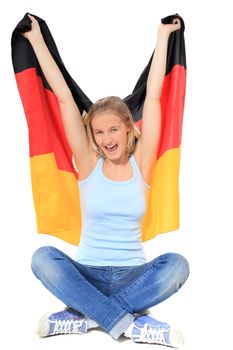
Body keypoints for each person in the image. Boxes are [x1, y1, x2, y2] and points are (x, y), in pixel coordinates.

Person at [23, 14, 189, 348]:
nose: (106, 138)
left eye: (113, 129)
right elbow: (64, 98)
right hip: (86, 273)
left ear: (128, 128)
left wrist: (163, 36)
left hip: (135, 276)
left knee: (177, 265)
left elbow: (154, 97)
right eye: (99, 132)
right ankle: (131, 324)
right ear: (92, 136)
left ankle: (84, 316)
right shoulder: (87, 162)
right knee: (42, 257)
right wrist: (36, 40)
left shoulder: (142, 163)